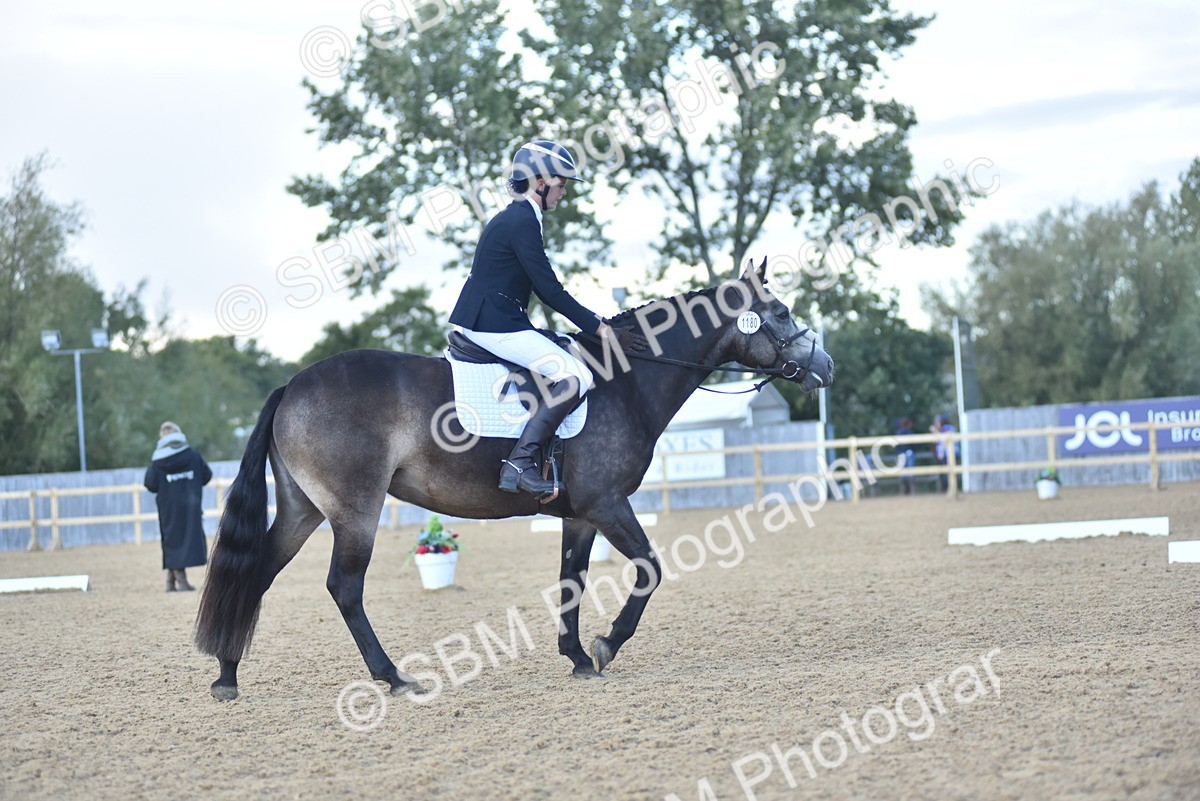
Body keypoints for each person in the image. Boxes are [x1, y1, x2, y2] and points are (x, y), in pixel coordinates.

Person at [449, 140, 647, 501]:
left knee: (565, 352)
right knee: (576, 375)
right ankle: (520, 463)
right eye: (561, 184)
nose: (564, 191)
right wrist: (602, 329)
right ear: (540, 180)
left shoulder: (522, 217)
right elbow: (550, 292)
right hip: (493, 324)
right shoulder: (521, 220)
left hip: (498, 318)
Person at [144, 422, 212, 591]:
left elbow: (150, 484)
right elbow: (207, 475)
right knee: (188, 540)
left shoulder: (158, 461)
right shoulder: (193, 456)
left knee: (172, 540)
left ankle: (172, 582)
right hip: (191, 505)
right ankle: (179, 581)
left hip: (169, 509)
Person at [930, 414, 958, 493]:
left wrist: (941, 451)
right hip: (946, 453)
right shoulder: (943, 429)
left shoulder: (947, 428)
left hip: (947, 453)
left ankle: (951, 489)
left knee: (948, 472)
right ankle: (949, 489)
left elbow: (946, 439)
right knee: (946, 472)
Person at [895, 417, 917, 495]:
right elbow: (914, 445)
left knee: (902, 473)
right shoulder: (909, 432)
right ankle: (912, 491)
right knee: (911, 472)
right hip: (908, 453)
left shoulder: (899, 432)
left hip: (901, 454)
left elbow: (897, 446)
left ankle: (903, 491)